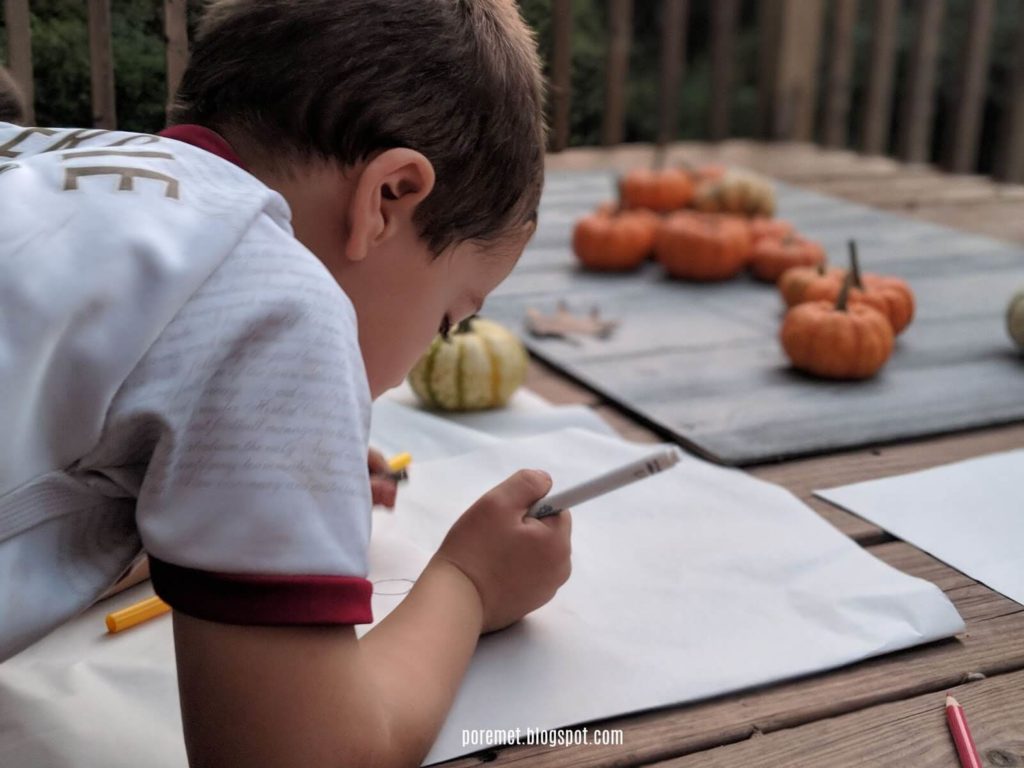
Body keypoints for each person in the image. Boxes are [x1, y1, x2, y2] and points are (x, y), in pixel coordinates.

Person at [0, 1, 573, 766]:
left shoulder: (67, 173)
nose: (428, 349)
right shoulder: (272, 292)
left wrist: (218, 495)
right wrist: (470, 584)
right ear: (389, 197)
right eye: (446, 317)